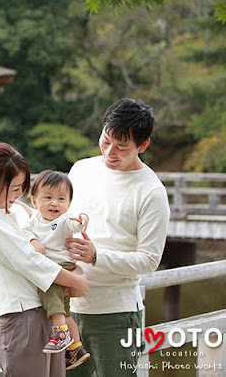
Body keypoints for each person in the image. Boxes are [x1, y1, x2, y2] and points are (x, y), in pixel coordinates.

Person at [0, 142, 89, 377]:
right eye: (13, 189)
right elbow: (28, 260)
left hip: (42, 312)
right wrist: (76, 281)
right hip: (19, 317)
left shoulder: (12, 209)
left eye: (22, 188)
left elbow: (48, 237)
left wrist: (78, 271)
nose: (19, 195)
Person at [64, 99, 170, 377]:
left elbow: (149, 261)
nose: (110, 152)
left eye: (122, 147)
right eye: (106, 140)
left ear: (142, 146)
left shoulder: (151, 192)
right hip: (67, 308)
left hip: (115, 314)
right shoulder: (81, 170)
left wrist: (96, 257)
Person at [22, 170, 91, 370]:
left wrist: (82, 218)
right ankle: (77, 347)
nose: (55, 203)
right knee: (65, 309)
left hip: (61, 267)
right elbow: (25, 230)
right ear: (35, 202)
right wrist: (33, 240)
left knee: (48, 287)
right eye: (49, 198)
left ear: (69, 203)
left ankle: (60, 332)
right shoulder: (35, 220)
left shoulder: (63, 220)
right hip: (53, 267)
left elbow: (74, 224)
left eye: (61, 199)